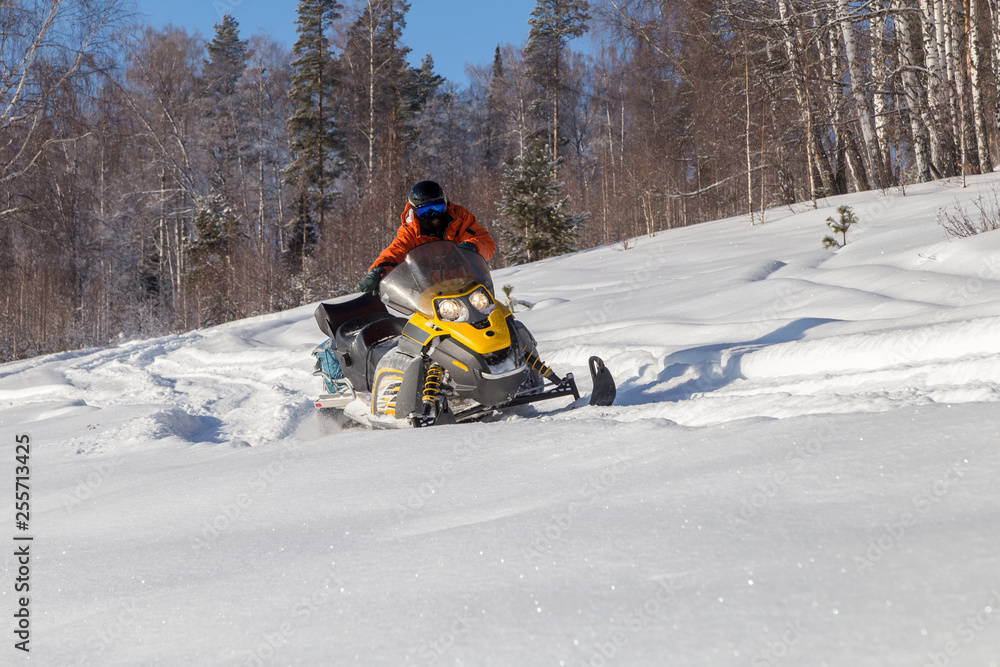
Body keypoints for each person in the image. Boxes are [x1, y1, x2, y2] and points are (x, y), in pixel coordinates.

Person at [357, 180, 496, 294]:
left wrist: (471, 248)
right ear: (414, 210)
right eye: (425, 211)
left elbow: (485, 242)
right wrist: (377, 271)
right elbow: (394, 253)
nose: (433, 215)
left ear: (445, 204)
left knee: (500, 318)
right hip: (431, 294)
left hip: (468, 285)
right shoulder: (410, 232)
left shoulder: (459, 218)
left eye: (438, 208)